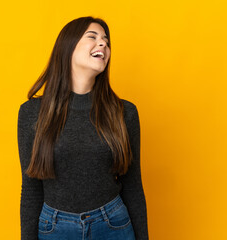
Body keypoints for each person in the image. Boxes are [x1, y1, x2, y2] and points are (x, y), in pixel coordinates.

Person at [17, 16, 149, 240]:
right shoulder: (32, 113)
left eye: (106, 41)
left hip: (113, 225)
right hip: (55, 229)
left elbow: (133, 185)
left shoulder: (125, 113)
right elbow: (30, 189)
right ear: (68, 47)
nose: (103, 44)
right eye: (93, 37)